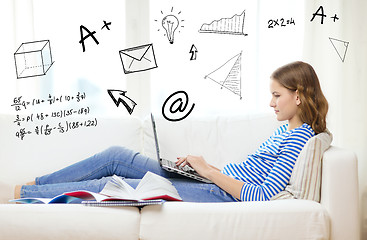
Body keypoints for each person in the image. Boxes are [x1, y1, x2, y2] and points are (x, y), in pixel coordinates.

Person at [14, 61, 328, 202]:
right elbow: (250, 176)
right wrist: (205, 167)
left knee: (113, 183)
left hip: (218, 195)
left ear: (298, 96)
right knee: (116, 156)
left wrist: (207, 171)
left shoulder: (300, 138)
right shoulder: (284, 131)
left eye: (277, 95)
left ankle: (21, 195)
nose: (271, 103)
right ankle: (33, 185)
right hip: (211, 180)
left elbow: (260, 196)